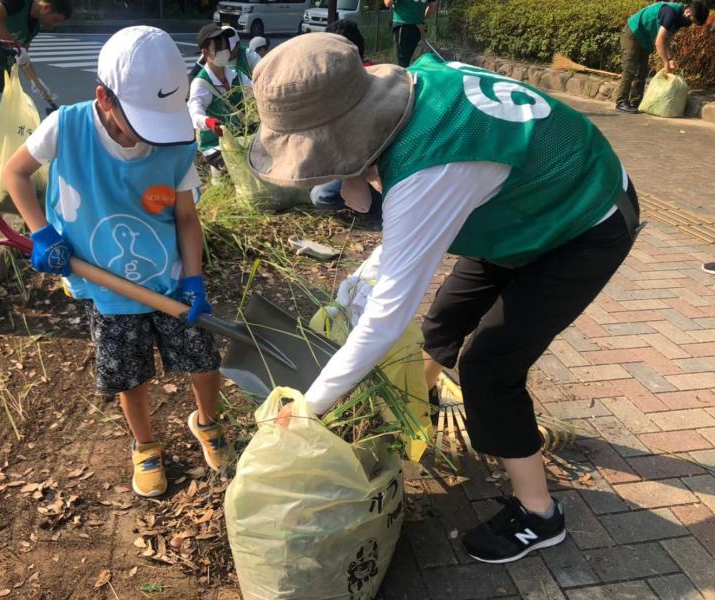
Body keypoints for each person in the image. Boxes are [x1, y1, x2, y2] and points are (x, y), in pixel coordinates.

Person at [251, 33, 642, 564]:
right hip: (516, 208)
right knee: (440, 327)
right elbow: (392, 235)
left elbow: (389, 313)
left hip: (582, 223)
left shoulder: (432, 166)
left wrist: (308, 411)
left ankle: (539, 514)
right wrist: (352, 183)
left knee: (489, 367)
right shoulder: (413, 85)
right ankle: (421, 411)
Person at [3, 26, 228, 498]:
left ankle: (206, 422)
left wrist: (193, 278)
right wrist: (41, 232)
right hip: (103, 285)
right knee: (130, 374)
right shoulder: (67, 126)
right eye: (139, 123)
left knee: (202, 360)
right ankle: (144, 444)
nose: (150, 138)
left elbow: (186, 218)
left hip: (167, 282)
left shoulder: (176, 141)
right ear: (104, 98)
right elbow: (15, 173)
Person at [0, 0, 72, 160]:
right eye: (55, 19)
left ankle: (4, 144)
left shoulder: (34, 25)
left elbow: (22, 56)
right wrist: (16, 47)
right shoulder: (19, 2)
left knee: (2, 88)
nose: (54, 24)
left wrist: (37, 82)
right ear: (46, 7)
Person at [309, 19, 381, 223]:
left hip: (377, 167)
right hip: (351, 163)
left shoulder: (374, 79)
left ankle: (376, 208)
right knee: (317, 191)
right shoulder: (336, 83)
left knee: (322, 195)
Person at [616, 1, 708, 114]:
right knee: (630, 69)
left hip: (645, 39)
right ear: (688, 11)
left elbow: (666, 39)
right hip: (633, 33)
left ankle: (635, 103)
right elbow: (659, 42)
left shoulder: (680, 19)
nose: (691, 23)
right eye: (692, 20)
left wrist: (670, 59)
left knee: (642, 72)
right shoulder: (670, 13)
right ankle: (621, 102)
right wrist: (665, 62)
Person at [188, 24, 252, 180]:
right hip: (215, 145)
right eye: (218, 48)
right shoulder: (201, 83)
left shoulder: (237, 76)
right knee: (234, 173)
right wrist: (208, 122)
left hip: (240, 138)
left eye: (225, 47)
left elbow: (255, 92)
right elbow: (195, 113)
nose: (224, 52)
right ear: (205, 53)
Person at [383, 0, 436, 67]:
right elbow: (433, 6)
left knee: (401, 65)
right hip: (419, 27)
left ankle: (404, 76)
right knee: (416, 61)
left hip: (403, 25)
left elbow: (388, 3)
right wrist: (422, 18)